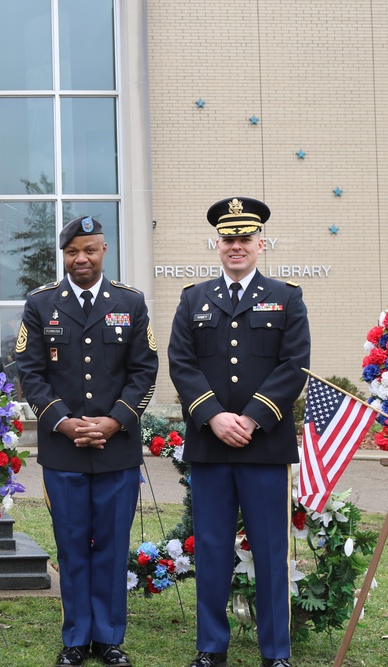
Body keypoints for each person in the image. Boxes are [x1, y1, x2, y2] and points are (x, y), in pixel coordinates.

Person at [168, 198, 309, 667]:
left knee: (271, 551)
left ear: (260, 244)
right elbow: (181, 363)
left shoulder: (287, 297)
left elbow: (294, 365)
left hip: (265, 444)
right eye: (228, 239)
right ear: (217, 244)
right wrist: (213, 416)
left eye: (244, 239)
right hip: (211, 445)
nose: (236, 247)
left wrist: (250, 417)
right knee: (211, 549)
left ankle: (276, 653)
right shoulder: (193, 298)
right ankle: (211, 648)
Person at [15, 215, 158, 667]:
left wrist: (115, 421)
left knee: (113, 544)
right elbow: (30, 374)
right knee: (72, 543)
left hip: (117, 447)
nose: (82, 258)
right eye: (73, 251)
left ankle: (109, 638)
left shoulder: (130, 302)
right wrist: (61, 421)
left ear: (104, 250)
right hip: (64, 449)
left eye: (90, 249)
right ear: (64, 255)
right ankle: (76, 637)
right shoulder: (41, 305)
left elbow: (144, 371)